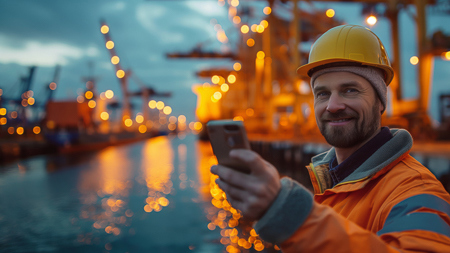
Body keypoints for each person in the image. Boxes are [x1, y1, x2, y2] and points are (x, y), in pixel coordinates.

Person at [210, 24, 450, 252]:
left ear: (380, 102)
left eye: (350, 90)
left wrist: (285, 211)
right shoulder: (331, 183)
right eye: (322, 93)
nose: (333, 106)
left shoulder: (415, 190)